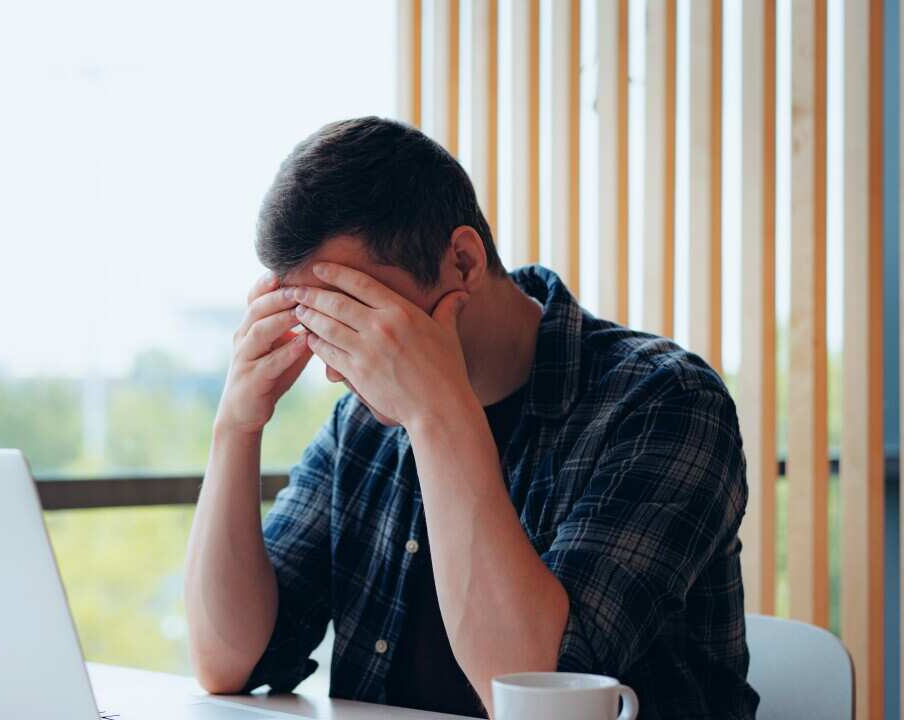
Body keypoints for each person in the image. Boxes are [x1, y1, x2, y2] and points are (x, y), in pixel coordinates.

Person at [183, 116, 759, 720]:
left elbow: (540, 694)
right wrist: (236, 429)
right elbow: (229, 664)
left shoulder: (663, 401)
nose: (341, 362)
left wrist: (438, 412)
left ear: (462, 262)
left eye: (358, 311)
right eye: (319, 321)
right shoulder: (362, 426)